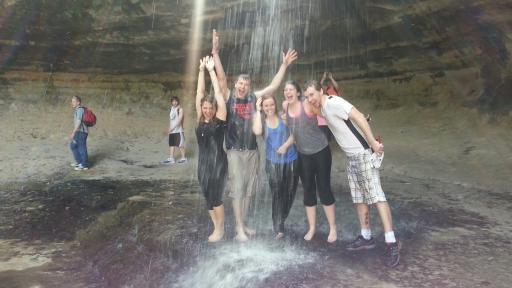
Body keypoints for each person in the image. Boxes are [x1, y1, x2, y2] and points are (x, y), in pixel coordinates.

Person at [211, 29, 298, 241]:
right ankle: (239, 228)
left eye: (246, 84)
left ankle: (244, 224)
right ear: (235, 85)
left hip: (251, 150)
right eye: (239, 83)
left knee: (248, 191)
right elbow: (221, 78)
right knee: (237, 190)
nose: (242, 86)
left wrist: (284, 65)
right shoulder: (230, 97)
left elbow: (273, 86)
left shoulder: (252, 98)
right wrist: (215, 54)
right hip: (234, 151)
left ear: (249, 86)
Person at [304, 80, 401, 267]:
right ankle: (366, 237)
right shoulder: (322, 108)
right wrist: (307, 101)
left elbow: (359, 116)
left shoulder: (333, 103)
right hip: (352, 158)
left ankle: (392, 242)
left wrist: (372, 142)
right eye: (307, 96)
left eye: (312, 94)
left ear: (321, 91)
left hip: (364, 154)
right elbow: (310, 110)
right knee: (359, 199)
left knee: (377, 197)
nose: (310, 99)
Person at [282, 80, 337, 243]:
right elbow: (295, 132)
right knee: (308, 191)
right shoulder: (285, 106)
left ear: (298, 93)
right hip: (303, 154)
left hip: (321, 152)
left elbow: (328, 115)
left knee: (324, 188)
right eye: (285, 90)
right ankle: (312, 227)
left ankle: (333, 227)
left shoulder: (307, 105)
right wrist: (285, 146)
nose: (288, 92)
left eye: (291, 89)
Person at [252, 95, 299, 239]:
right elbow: (258, 132)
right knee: (277, 193)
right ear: (262, 107)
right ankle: (278, 226)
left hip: (291, 159)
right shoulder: (261, 121)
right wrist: (257, 111)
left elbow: (295, 134)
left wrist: (285, 146)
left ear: (275, 105)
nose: (269, 108)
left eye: (271, 105)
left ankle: (281, 218)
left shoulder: (283, 118)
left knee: (290, 192)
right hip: (272, 162)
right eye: (266, 105)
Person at [195, 55, 227, 242]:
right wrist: (200, 71)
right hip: (203, 164)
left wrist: (211, 71)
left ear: (214, 108)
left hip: (218, 164)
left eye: (210, 108)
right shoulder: (200, 118)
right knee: (207, 196)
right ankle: (216, 227)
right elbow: (199, 93)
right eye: (205, 107)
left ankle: (220, 229)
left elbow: (218, 93)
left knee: (216, 196)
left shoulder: (220, 119)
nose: (207, 110)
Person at [163, 96, 187, 164]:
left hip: (178, 130)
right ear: (171, 102)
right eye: (173, 101)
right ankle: (171, 158)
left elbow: (179, 121)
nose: (174, 102)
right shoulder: (171, 108)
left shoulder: (180, 109)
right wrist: (169, 129)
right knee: (171, 144)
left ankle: (183, 158)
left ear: (178, 101)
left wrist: (172, 128)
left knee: (180, 145)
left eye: (176, 101)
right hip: (172, 130)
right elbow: (171, 120)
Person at [69, 95, 89, 171]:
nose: (72, 103)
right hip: (79, 131)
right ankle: (80, 162)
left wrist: (73, 132)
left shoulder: (80, 110)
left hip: (82, 132)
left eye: (74, 101)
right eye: (72, 101)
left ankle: (84, 165)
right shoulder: (77, 110)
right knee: (73, 146)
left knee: (82, 147)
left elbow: (79, 121)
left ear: (78, 102)